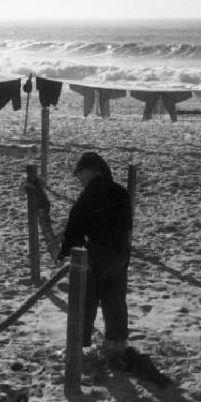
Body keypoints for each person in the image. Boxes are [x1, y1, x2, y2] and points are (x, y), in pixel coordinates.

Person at [57, 152, 132, 355]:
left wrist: (64, 252)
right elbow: (127, 227)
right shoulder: (120, 191)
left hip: (96, 254)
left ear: (90, 171)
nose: (79, 180)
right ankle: (116, 342)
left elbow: (75, 226)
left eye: (79, 174)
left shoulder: (89, 195)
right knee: (115, 298)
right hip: (119, 253)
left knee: (85, 299)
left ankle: (78, 344)